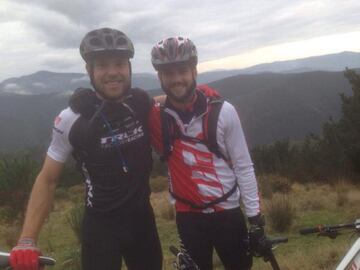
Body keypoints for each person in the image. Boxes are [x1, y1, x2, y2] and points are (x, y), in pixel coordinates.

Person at [10, 28, 162, 270]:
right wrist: (27, 239)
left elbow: (162, 103)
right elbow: (48, 180)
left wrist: (197, 94)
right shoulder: (71, 119)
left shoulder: (140, 102)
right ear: (89, 71)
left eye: (120, 63)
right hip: (101, 230)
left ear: (129, 67)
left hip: (143, 223)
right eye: (102, 65)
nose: (113, 72)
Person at [149, 36, 265, 270]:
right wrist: (88, 101)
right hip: (188, 218)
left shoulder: (223, 112)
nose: (176, 79)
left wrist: (255, 219)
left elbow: (243, 165)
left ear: (194, 71)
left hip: (228, 213)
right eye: (168, 73)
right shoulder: (155, 116)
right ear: (160, 77)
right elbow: (125, 105)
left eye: (182, 70)